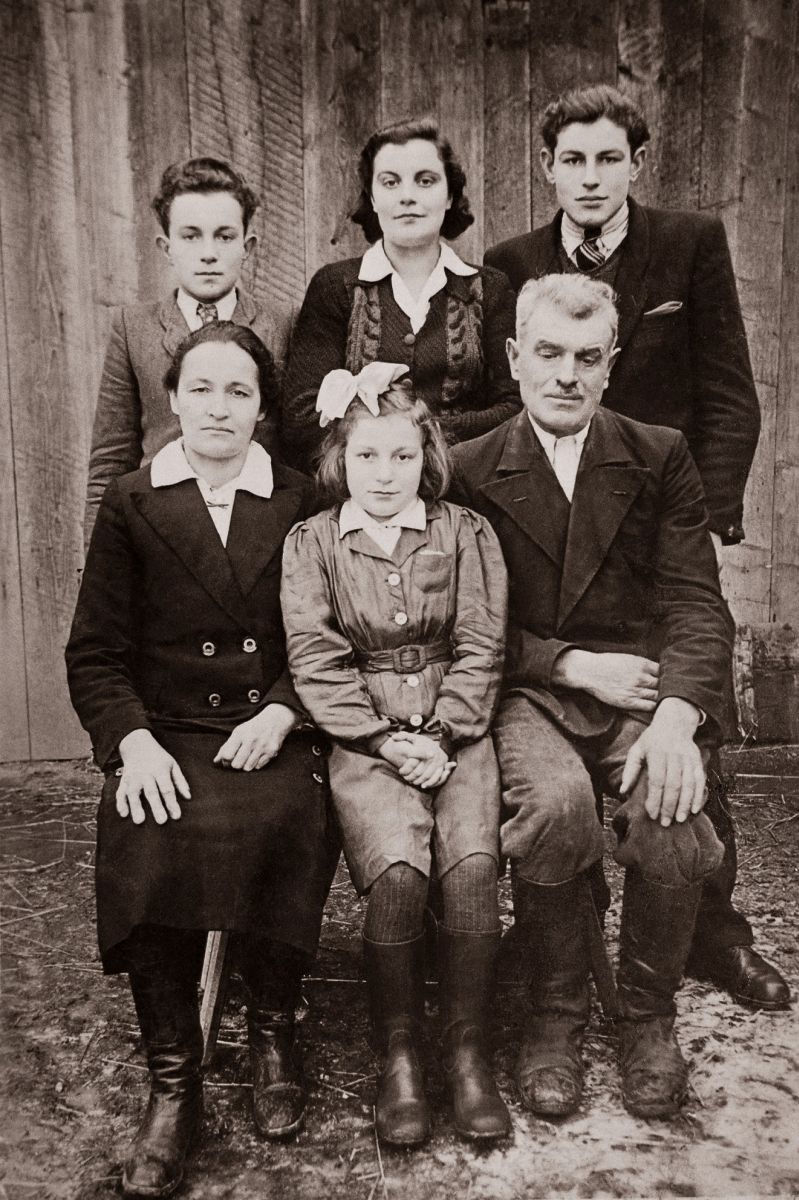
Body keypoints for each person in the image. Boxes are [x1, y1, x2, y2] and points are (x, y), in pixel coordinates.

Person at [485, 83, 789, 1012]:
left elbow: (729, 395)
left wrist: (707, 515)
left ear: (635, 163)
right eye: (570, 159)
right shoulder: (511, 261)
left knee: (687, 721)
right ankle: (560, 948)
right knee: (557, 773)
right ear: (546, 167)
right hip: (560, 533)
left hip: (663, 521)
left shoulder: (689, 244)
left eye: (606, 158)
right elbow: (507, 409)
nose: (588, 176)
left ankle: (709, 932)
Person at [452, 274, 732, 1120]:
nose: (565, 375)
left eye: (585, 358)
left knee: (672, 812)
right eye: (547, 354)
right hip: (526, 692)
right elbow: (461, 624)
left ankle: (647, 1018)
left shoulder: (657, 453)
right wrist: (568, 663)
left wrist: (679, 717)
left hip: (643, 695)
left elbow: (693, 600)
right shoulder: (466, 468)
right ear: (513, 358)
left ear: (610, 365)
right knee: (556, 809)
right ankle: (554, 1015)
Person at [66, 323, 336, 1197]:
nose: (219, 408)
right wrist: (130, 740)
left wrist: (290, 710)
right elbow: (96, 652)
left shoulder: (297, 500)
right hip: (166, 732)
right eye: (203, 389)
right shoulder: (132, 500)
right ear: (173, 398)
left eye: (240, 393)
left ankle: (269, 1032)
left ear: (262, 410)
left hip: (268, 728)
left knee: (290, 813)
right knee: (144, 826)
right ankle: (174, 1081)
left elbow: (327, 637)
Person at [280, 365, 511, 1145]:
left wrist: (443, 732)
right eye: (368, 457)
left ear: (426, 459)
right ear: (341, 459)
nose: (385, 475)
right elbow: (314, 658)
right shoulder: (313, 542)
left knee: (474, 867)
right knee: (401, 874)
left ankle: (467, 1049)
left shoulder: (463, 531)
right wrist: (383, 739)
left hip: (457, 733)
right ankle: (400, 1052)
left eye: (402, 458)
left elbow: (482, 641)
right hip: (365, 738)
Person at [280, 118, 521, 468]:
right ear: (373, 198)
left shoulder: (489, 288)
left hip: (467, 486)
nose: (407, 196)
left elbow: (514, 409)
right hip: (361, 495)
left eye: (425, 181)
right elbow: (302, 417)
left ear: (450, 195)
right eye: (390, 182)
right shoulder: (335, 287)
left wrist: (406, 433)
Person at [84, 156, 292, 544]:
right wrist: (97, 574)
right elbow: (110, 461)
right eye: (191, 235)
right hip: (160, 532)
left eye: (225, 236)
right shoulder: (134, 328)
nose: (208, 253)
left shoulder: (281, 324)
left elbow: (295, 450)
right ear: (166, 246)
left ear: (248, 245)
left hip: (257, 536)